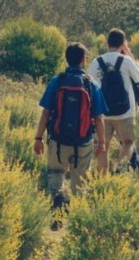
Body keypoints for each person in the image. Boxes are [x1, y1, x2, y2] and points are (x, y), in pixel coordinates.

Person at [34, 42, 107, 218]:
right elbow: (98, 118)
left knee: (55, 172)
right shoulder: (92, 85)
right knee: (80, 178)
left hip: (58, 140)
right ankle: (75, 214)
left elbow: (46, 113)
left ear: (66, 59)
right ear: (83, 60)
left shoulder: (57, 81)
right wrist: (102, 143)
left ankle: (58, 201)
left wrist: (38, 138)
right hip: (83, 141)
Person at [88, 28, 139, 173]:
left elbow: (90, 85)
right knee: (128, 142)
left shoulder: (97, 61)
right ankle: (118, 169)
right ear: (123, 44)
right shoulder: (126, 61)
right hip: (125, 112)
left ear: (107, 43)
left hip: (103, 113)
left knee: (103, 145)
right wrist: (129, 53)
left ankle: (103, 180)